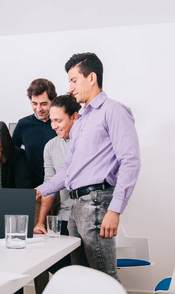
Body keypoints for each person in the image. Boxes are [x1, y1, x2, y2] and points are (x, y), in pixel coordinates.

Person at [36, 52, 141, 280]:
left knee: (104, 278)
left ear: (91, 77)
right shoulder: (82, 120)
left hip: (96, 204)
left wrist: (115, 209)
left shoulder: (113, 110)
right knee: (82, 280)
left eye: (74, 80)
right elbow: (68, 171)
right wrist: (40, 190)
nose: (71, 87)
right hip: (76, 206)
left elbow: (130, 160)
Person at [11, 78, 58, 294]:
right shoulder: (23, 125)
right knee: (38, 248)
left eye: (44, 104)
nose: (39, 109)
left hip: (62, 191)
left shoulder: (60, 121)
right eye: (34, 103)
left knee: (61, 246)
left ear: (53, 101)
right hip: (35, 193)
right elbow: (12, 156)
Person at [33, 94, 81, 273]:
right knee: (60, 268)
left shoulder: (87, 141)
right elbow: (49, 186)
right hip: (62, 219)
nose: (53, 126)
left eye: (58, 121)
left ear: (74, 117)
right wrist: (40, 222)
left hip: (87, 217)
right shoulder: (51, 147)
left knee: (86, 271)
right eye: (51, 121)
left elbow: (68, 174)